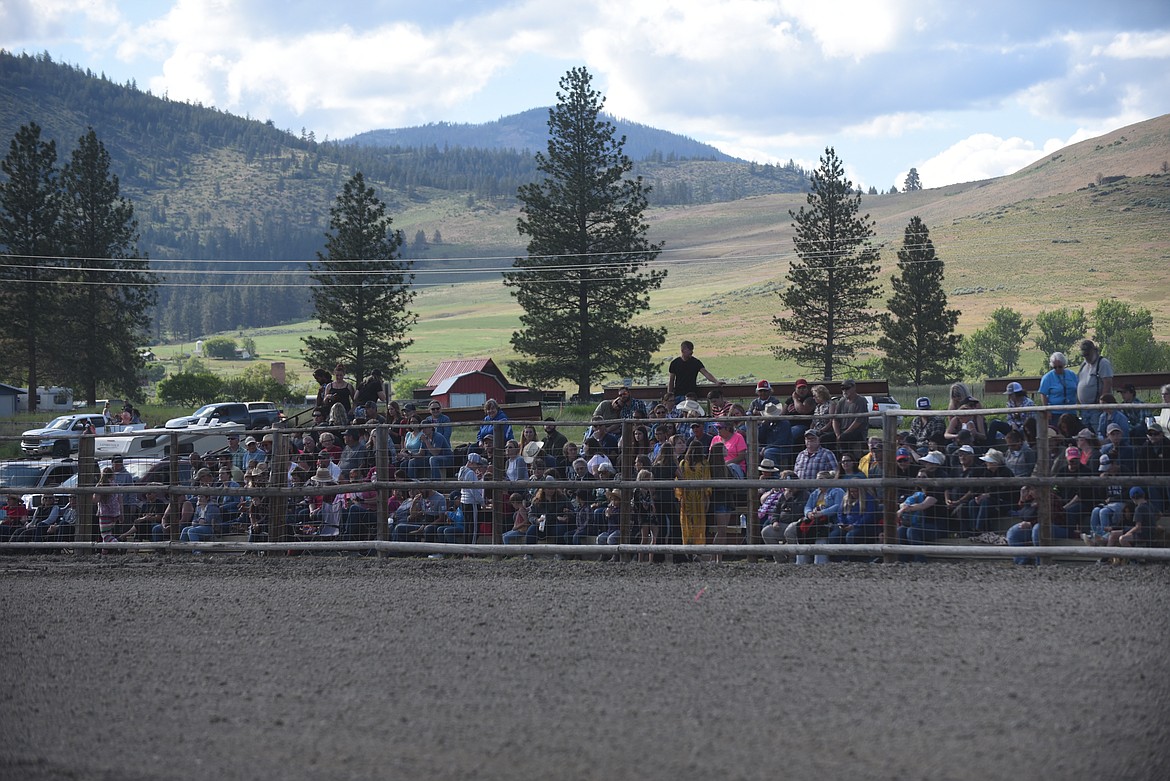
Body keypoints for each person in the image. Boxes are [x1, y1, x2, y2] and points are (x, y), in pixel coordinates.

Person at [786, 471, 843, 564]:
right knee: (793, 530)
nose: (817, 481)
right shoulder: (815, 493)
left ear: (829, 480)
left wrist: (822, 513)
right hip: (813, 521)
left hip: (829, 523)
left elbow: (838, 506)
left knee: (820, 537)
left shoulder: (837, 491)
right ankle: (800, 562)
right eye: (816, 479)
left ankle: (820, 563)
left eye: (820, 479)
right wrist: (808, 513)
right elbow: (807, 506)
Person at [675, 439, 710, 548]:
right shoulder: (684, 463)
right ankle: (688, 547)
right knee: (688, 522)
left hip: (696, 497)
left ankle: (696, 548)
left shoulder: (704, 463)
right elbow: (679, 481)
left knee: (696, 522)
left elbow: (707, 481)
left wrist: (706, 496)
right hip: (689, 497)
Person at [1076, 339, 1113, 431]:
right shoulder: (1083, 365)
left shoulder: (1103, 363)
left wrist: (1102, 403)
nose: (1086, 357)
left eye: (1088, 354)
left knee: (1098, 432)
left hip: (1096, 408)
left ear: (1093, 350)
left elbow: (1107, 383)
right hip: (1084, 408)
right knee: (1086, 435)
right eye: (1084, 355)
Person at [831, 379, 868, 460]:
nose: (844, 391)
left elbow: (858, 421)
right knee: (825, 438)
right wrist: (837, 434)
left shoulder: (861, 400)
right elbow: (835, 419)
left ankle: (845, 459)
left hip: (858, 432)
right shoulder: (841, 401)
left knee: (843, 438)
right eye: (843, 388)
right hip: (842, 431)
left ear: (854, 388)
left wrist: (843, 434)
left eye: (847, 388)